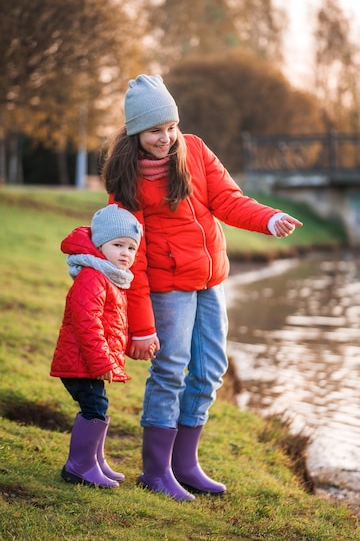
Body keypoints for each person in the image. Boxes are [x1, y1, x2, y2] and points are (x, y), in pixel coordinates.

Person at [101, 74, 303, 501]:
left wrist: (268, 218)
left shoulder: (193, 148)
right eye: (156, 130)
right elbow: (130, 261)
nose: (166, 138)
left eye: (171, 127)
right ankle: (156, 471)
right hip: (167, 286)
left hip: (211, 279)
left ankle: (185, 464)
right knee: (171, 369)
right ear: (136, 131)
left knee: (210, 367)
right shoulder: (126, 183)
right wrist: (140, 328)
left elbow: (227, 199)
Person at [50, 204, 144, 488]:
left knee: (98, 406)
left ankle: (94, 459)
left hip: (90, 360)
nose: (126, 253)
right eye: (118, 245)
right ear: (100, 245)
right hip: (83, 362)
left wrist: (123, 347)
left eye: (131, 248)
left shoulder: (110, 277)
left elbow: (111, 324)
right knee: (95, 408)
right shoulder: (94, 277)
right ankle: (78, 466)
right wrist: (103, 362)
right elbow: (86, 324)